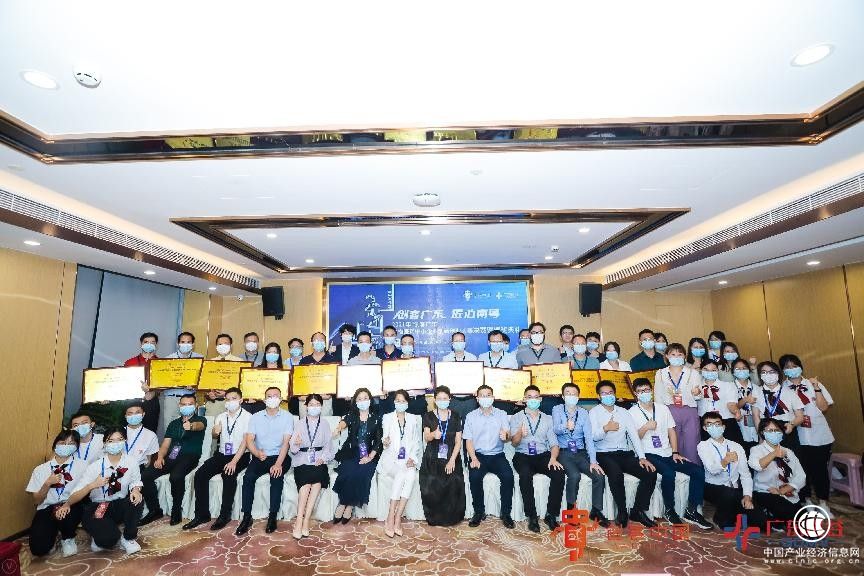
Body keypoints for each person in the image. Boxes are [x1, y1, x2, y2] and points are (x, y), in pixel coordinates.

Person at [629, 379, 713, 528]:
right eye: (641, 391)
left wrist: (675, 452)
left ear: (651, 391)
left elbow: (671, 431)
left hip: (667, 452)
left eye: (647, 390)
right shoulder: (632, 412)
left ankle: (692, 510)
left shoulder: (662, 408)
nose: (644, 393)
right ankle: (669, 510)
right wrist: (645, 427)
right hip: (648, 454)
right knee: (669, 473)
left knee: (697, 471)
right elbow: (633, 439)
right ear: (636, 394)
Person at [589, 380, 658, 528]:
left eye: (610, 393)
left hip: (624, 453)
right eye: (604, 394)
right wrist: (605, 428)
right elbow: (592, 437)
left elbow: (634, 436)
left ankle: (637, 511)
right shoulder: (594, 412)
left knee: (650, 472)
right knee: (616, 474)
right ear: (598, 397)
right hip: (603, 453)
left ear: (615, 394)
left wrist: (642, 457)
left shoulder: (624, 412)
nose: (608, 396)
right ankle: (622, 511)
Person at [184, 387, 251, 531]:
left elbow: (246, 442)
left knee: (228, 474)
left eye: (234, 399)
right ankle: (202, 515)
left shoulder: (248, 417)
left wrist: (233, 462)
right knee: (200, 474)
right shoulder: (220, 416)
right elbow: (215, 435)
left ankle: (224, 515)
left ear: (241, 400)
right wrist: (215, 432)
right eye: (228, 399)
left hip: (240, 455)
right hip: (222, 454)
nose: (231, 402)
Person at [68, 427, 143, 554]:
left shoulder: (131, 462)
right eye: (111, 441)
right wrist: (92, 485)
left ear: (125, 441)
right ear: (104, 444)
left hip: (119, 504)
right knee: (108, 540)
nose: (115, 444)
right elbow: (73, 497)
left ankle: (128, 538)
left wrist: (136, 490)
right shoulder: (94, 467)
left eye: (120, 439)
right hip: (99, 506)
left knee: (137, 500)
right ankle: (98, 533)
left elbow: (136, 481)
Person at [779, 354, 834, 516]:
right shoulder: (782, 388)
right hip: (797, 436)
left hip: (819, 435)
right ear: (783, 371)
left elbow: (824, 407)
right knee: (801, 471)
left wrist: (816, 387)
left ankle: (824, 503)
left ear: (800, 367)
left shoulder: (813, 383)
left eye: (794, 365)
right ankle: (806, 501)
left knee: (820, 470)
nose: (791, 369)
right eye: (787, 367)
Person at [139, 393, 206, 526]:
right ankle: (154, 510)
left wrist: (191, 426)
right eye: (184, 404)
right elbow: (165, 444)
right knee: (146, 475)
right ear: (179, 405)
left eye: (190, 404)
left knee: (176, 476)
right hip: (172, 455)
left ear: (196, 405)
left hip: (190, 456)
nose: (186, 407)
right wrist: (159, 457)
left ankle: (176, 510)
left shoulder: (201, 419)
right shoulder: (174, 423)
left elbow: (199, 426)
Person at [235, 387, 294, 535]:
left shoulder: (288, 417)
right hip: (260, 455)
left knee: (276, 476)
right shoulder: (256, 417)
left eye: (275, 396)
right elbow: (249, 440)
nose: (272, 398)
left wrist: (278, 464)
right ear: (264, 399)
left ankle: (272, 516)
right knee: (248, 478)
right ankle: (247, 516)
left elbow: (286, 443)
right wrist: (256, 453)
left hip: (280, 456)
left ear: (281, 399)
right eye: (269, 396)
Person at [510, 385, 566, 533]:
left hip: (542, 455)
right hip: (522, 455)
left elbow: (554, 443)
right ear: (524, 399)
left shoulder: (548, 418)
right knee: (525, 475)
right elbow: (514, 443)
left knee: (559, 473)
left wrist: (553, 458)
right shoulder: (517, 417)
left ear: (540, 399)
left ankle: (551, 515)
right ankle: (532, 516)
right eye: (529, 397)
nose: (533, 400)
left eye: (536, 397)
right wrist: (519, 433)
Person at [552, 383, 608, 526]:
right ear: (563, 396)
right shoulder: (557, 409)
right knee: (574, 475)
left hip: (581, 453)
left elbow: (588, 438)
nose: (571, 396)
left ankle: (596, 510)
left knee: (599, 475)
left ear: (578, 396)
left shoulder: (583, 413)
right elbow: (555, 429)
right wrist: (565, 426)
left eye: (574, 394)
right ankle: (571, 510)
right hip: (564, 452)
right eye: (568, 393)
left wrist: (593, 461)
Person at [697, 412, 765, 530]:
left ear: (723, 427)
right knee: (729, 495)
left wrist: (747, 496)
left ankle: (734, 513)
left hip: (734, 489)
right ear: (705, 428)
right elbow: (712, 470)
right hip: (712, 487)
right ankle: (720, 519)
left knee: (760, 521)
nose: (714, 427)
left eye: (717, 424)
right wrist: (725, 461)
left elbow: (745, 475)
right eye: (709, 424)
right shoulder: (703, 446)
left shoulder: (736, 446)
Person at [26, 430, 85, 557]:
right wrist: (47, 483)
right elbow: (36, 501)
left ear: (76, 447)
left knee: (68, 514)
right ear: (55, 445)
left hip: (71, 505)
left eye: (71, 443)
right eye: (62, 442)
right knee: (38, 549)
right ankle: (53, 533)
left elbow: (85, 491)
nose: (66, 446)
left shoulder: (83, 466)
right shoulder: (40, 469)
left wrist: (67, 504)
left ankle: (67, 538)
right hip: (47, 507)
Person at [463, 384, 515, 529]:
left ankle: (506, 513)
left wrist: (506, 436)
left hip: (497, 455)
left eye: (488, 395)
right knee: (474, 476)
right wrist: (473, 458)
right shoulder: (471, 416)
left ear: (493, 397)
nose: (485, 398)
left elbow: (508, 435)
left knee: (508, 476)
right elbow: (468, 441)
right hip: (478, 455)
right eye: (482, 395)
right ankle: (479, 512)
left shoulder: (502, 414)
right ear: (477, 398)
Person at [331, 388, 383, 524]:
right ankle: (343, 503)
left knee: (362, 473)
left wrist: (370, 457)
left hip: (369, 454)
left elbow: (379, 441)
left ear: (370, 400)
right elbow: (344, 422)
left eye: (365, 398)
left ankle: (348, 505)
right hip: (351, 452)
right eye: (359, 399)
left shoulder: (376, 418)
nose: (362, 401)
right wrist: (338, 428)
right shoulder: (352, 415)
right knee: (347, 472)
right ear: (355, 401)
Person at [289, 394, 334, 539]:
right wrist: (296, 444)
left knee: (317, 483)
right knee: (306, 484)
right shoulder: (300, 423)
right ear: (306, 406)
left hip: (318, 459)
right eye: (311, 404)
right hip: (302, 459)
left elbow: (328, 446)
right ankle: (299, 520)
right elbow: (293, 448)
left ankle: (306, 520)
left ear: (321, 407)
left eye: (317, 405)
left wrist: (323, 458)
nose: (314, 407)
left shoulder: (325, 423)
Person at [419, 386, 465, 526]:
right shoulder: (428, 416)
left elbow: (458, 442)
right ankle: (435, 517)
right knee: (432, 481)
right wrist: (434, 434)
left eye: (445, 398)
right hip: (432, 456)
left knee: (454, 480)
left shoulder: (456, 416)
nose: (442, 401)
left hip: (451, 455)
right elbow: (426, 437)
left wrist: (452, 460)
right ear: (434, 400)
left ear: (450, 399)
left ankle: (452, 517)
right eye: (439, 398)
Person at [380, 390, 423, 537]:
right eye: (398, 401)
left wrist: (412, 458)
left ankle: (397, 517)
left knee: (410, 475)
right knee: (401, 473)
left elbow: (416, 442)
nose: (400, 403)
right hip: (391, 459)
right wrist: (385, 442)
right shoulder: (387, 418)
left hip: (407, 459)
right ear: (394, 402)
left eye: (403, 401)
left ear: (408, 403)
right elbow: (385, 438)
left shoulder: (413, 419)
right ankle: (390, 516)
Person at [748, 418, 805, 526]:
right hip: (765, 492)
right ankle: (771, 517)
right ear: (762, 433)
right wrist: (773, 454)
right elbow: (757, 466)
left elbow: (801, 475)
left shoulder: (788, 452)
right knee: (789, 513)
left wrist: (783, 490)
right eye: (770, 430)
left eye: (777, 430)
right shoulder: (756, 450)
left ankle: (775, 518)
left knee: (803, 516)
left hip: (787, 493)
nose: (774, 433)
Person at [654, 343, 703, 465]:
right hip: (669, 411)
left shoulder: (693, 373)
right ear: (667, 356)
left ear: (685, 356)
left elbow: (699, 395)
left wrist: (697, 392)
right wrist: (659, 415)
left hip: (689, 411)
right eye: (673, 354)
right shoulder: (660, 373)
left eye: (680, 354)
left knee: (692, 443)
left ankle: (694, 469)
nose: (676, 357)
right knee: (674, 443)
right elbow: (658, 396)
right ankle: (678, 471)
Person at [159, 332, 205, 435]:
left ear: (193, 344)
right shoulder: (168, 359)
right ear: (178, 343)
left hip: (190, 399)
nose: (185, 344)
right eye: (183, 342)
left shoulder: (199, 359)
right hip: (172, 399)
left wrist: (195, 385)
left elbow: (202, 381)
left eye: (188, 342)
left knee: (189, 428)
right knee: (170, 427)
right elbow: (163, 381)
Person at [754, 361, 804, 451]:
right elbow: (756, 416)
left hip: (786, 429)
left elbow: (800, 416)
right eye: (764, 372)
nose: (768, 375)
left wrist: (791, 425)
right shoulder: (756, 392)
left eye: (771, 372)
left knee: (790, 457)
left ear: (778, 373)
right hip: (766, 431)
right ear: (760, 375)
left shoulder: (790, 391)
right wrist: (761, 437)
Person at [695, 359, 741, 445]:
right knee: (708, 449)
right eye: (706, 369)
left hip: (725, 421)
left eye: (713, 370)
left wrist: (736, 411)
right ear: (701, 370)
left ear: (718, 370)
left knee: (732, 448)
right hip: (706, 423)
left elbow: (731, 403)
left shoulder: (728, 385)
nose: (710, 372)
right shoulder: (696, 386)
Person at [125, 332, 161, 431]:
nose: (149, 344)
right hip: (132, 401)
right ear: (141, 344)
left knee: (150, 430)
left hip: (151, 402)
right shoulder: (130, 362)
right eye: (146, 342)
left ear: (156, 345)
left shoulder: (161, 364)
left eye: (152, 342)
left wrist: (151, 392)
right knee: (129, 431)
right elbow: (124, 383)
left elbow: (162, 386)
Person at [298, 331, 340, 416]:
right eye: (316, 340)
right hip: (306, 400)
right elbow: (300, 382)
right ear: (312, 343)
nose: (318, 342)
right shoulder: (304, 361)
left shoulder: (333, 360)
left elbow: (336, 381)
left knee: (324, 423)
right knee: (305, 423)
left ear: (325, 343)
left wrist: (329, 394)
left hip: (325, 400)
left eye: (321, 340)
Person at [205, 333, 245, 418]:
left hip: (233, 403)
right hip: (214, 404)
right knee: (213, 425)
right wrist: (209, 394)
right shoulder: (209, 363)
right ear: (216, 346)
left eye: (226, 344)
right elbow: (205, 385)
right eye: (220, 344)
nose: (223, 346)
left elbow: (243, 385)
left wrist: (226, 393)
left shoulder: (240, 362)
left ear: (231, 346)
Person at [731, 358, 761, 453]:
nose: (741, 371)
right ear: (733, 372)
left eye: (744, 368)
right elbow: (731, 406)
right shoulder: (729, 387)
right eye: (738, 369)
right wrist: (745, 400)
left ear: (749, 370)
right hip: (739, 426)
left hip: (756, 425)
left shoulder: (756, 388)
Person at [396, 334, 429, 415]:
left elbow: (428, 382)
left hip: (418, 401)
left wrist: (428, 383)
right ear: (401, 345)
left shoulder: (421, 363)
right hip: (401, 402)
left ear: (414, 345)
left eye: (410, 343)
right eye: (404, 343)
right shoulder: (394, 363)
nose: (407, 346)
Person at [123, 403, 159, 468]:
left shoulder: (151, 435)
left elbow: (149, 459)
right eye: (130, 413)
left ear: (143, 414)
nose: (134, 416)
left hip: (139, 468)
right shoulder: (118, 433)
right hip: (119, 467)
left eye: (137, 413)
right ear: (125, 416)